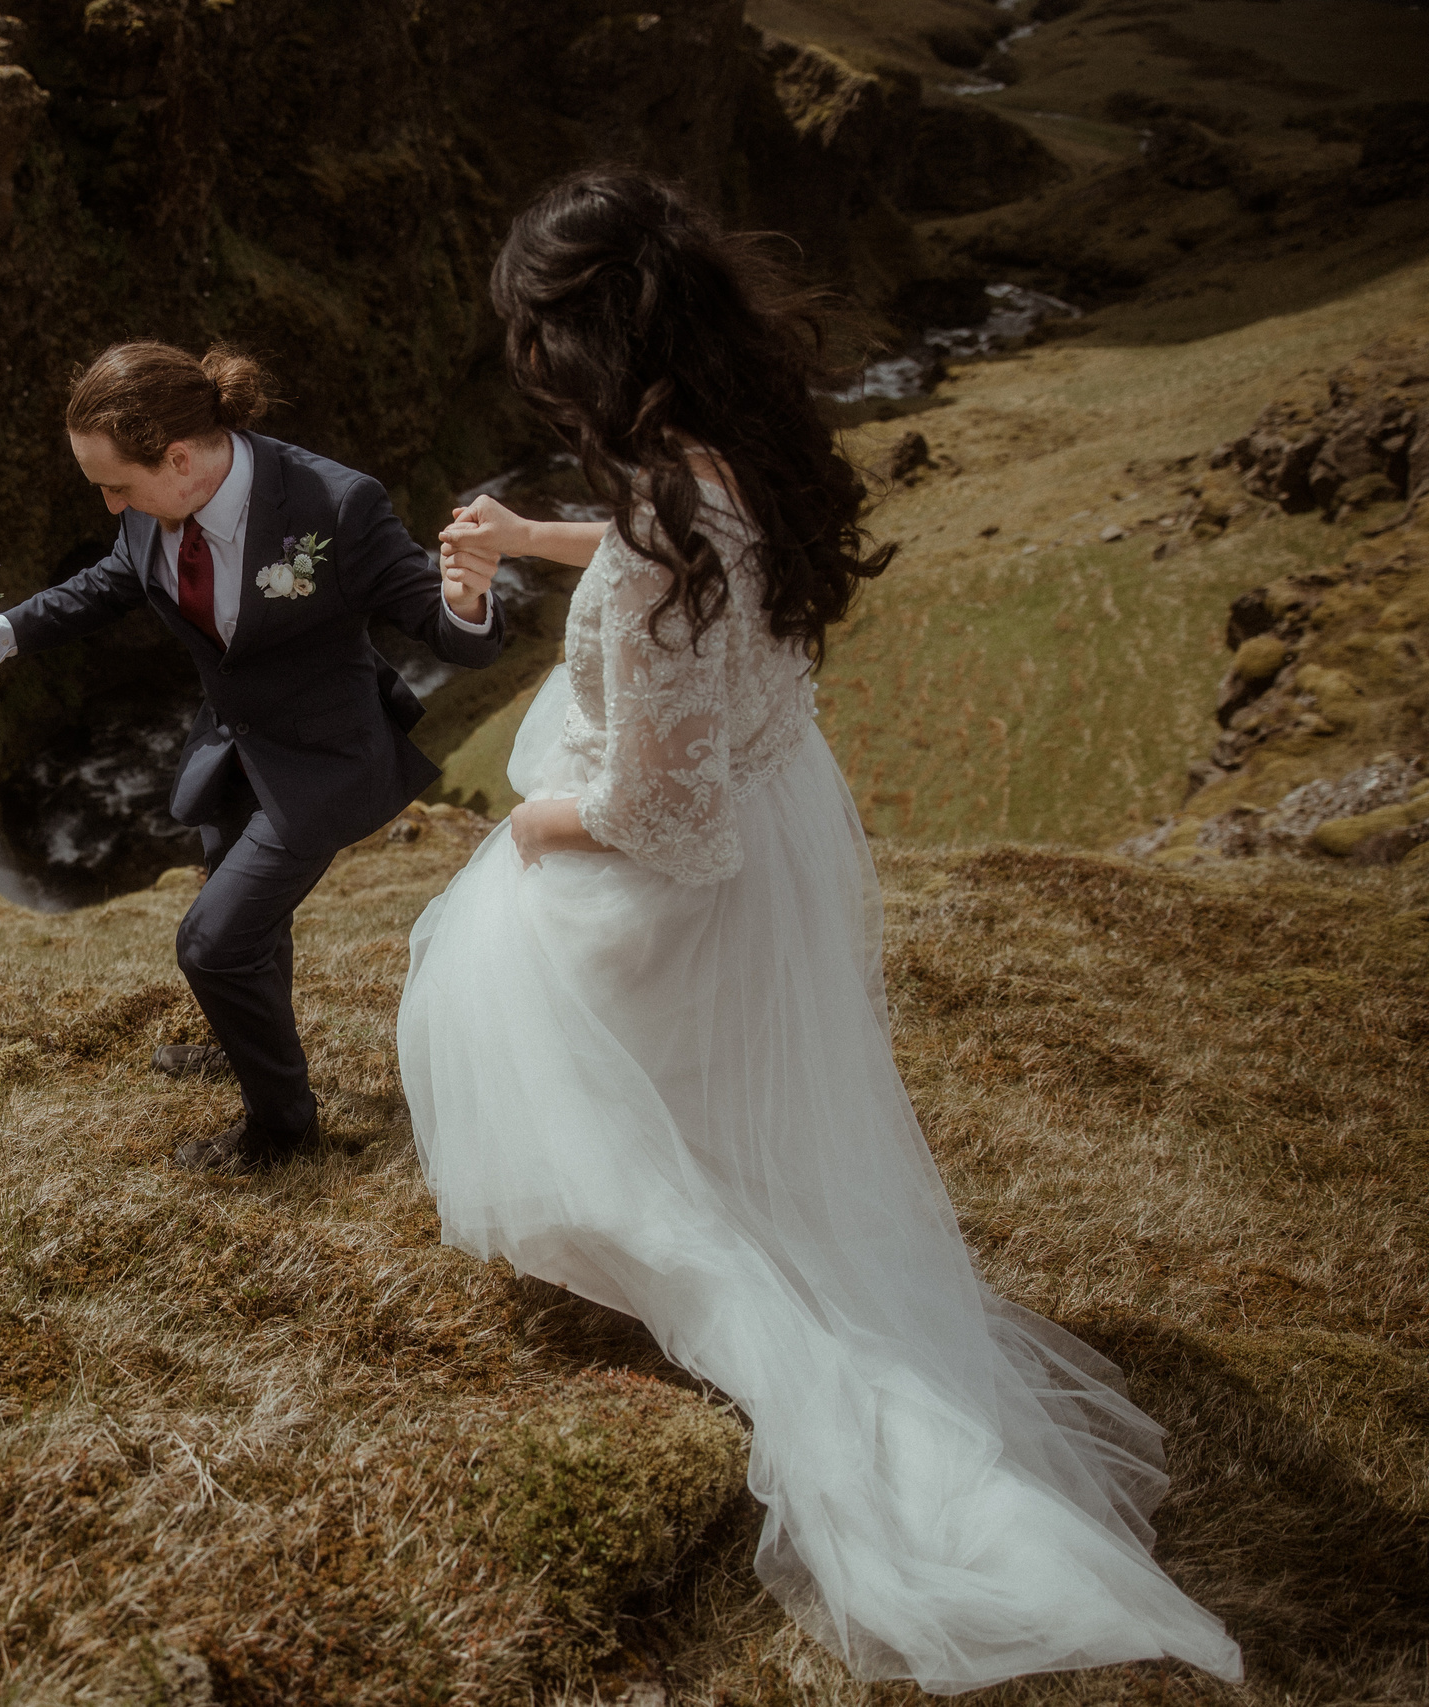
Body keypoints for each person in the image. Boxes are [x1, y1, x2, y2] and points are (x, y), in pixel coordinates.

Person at [401, 170, 1243, 1693]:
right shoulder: (738, 453)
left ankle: (710, 1276)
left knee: (497, 964)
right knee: (744, 1116)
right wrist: (537, 533)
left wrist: (522, 826)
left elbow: (664, 815)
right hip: (784, 831)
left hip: (687, 867)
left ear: (573, 341)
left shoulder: (665, 517)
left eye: (533, 336)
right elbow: (684, 563)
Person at [0, 342, 507, 1174]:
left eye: (116, 486)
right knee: (246, 924)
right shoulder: (150, 503)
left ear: (178, 458)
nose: (108, 504)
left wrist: (468, 597)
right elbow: (113, 579)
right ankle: (244, 1034)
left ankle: (283, 1130)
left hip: (321, 760)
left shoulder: (337, 504)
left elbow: (448, 629)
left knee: (213, 943)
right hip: (232, 746)